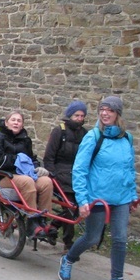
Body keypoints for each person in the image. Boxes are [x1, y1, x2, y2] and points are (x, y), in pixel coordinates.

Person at [58, 96, 139, 280]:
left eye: (109, 110)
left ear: (117, 114)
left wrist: (132, 195)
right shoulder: (94, 137)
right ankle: (68, 259)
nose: (105, 113)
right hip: (98, 197)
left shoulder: (126, 138)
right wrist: (83, 200)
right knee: (92, 238)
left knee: (120, 238)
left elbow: (129, 169)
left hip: (121, 197)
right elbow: (80, 169)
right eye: (102, 109)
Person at [0, 110, 55, 240]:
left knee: (46, 182)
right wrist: (17, 160)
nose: (16, 123)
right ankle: (32, 221)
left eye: (19, 121)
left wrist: (37, 167)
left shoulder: (25, 140)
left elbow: (31, 159)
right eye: (13, 120)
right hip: (4, 177)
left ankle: (42, 220)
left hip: (25, 175)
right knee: (27, 181)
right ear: (6, 122)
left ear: (22, 125)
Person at [43, 101, 88, 252]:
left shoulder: (85, 134)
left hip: (77, 174)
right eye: (77, 115)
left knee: (76, 207)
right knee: (70, 207)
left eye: (82, 116)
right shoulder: (59, 132)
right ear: (70, 116)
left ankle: (54, 226)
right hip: (60, 173)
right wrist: (53, 174)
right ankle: (68, 243)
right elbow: (49, 157)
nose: (80, 118)